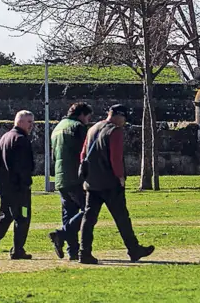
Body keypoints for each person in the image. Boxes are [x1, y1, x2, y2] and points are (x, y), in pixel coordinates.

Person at [78, 104, 154, 264]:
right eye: (124, 119)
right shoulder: (115, 131)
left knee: (89, 217)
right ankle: (133, 249)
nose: (125, 122)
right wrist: (120, 177)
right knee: (122, 217)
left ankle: (84, 251)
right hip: (110, 183)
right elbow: (116, 158)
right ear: (119, 116)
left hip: (92, 182)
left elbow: (83, 154)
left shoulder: (93, 128)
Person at [0, 110, 35, 260]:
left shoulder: (4, 138)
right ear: (19, 122)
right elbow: (23, 166)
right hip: (18, 187)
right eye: (29, 122)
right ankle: (18, 249)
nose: (31, 125)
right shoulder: (21, 140)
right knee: (23, 216)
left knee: (6, 214)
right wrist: (26, 183)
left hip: (3, 185)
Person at [48, 102, 92, 260]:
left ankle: (72, 250)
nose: (88, 120)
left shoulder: (58, 127)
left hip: (61, 177)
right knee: (88, 210)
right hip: (76, 176)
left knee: (69, 212)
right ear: (82, 115)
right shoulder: (78, 127)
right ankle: (62, 233)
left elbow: (54, 155)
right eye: (88, 117)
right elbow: (85, 152)